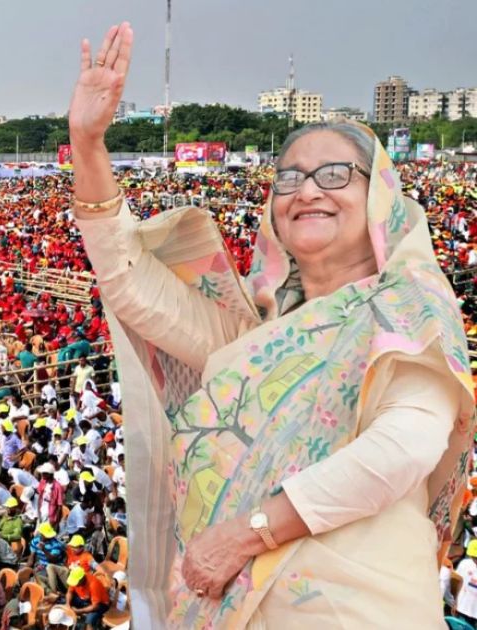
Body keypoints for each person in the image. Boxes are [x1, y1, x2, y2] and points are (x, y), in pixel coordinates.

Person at [68, 21, 475, 627]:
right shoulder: (257, 341)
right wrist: (87, 143)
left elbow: (402, 448)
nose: (307, 189)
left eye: (335, 174)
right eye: (290, 177)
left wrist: (248, 533)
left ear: (380, 198)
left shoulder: (407, 309)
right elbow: (132, 286)